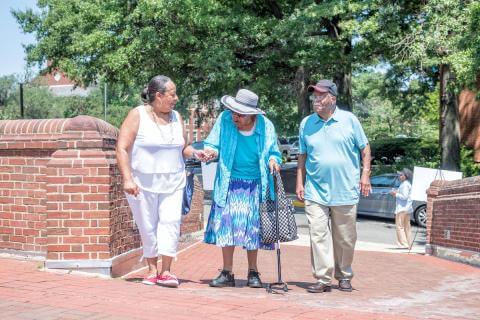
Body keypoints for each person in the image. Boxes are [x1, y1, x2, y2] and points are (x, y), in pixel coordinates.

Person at [116, 75, 205, 287]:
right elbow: (121, 147)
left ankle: (166, 272)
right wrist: (127, 179)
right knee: (148, 226)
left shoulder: (177, 117)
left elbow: (184, 148)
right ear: (159, 95)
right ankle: (151, 270)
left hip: (173, 182)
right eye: (172, 94)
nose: (176, 98)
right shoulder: (137, 115)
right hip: (142, 183)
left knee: (171, 223)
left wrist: (197, 154)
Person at [296, 80, 372, 293]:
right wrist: (300, 182)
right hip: (315, 190)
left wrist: (365, 175)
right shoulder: (306, 124)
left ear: (333, 98)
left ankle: (344, 274)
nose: (316, 100)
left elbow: (365, 148)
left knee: (346, 238)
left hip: (345, 189)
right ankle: (323, 278)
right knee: (318, 234)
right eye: (314, 96)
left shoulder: (350, 120)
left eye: (321, 96)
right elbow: (302, 155)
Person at [202, 88, 282, 288]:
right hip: (230, 181)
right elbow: (213, 142)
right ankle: (227, 272)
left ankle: (253, 272)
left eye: (240, 114)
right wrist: (211, 151)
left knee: (252, 229)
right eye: (233, 111)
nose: (234, 116)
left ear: (252, 115)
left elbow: (274, 151)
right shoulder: (225, 119)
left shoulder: (265, 125)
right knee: (226, 228)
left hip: (256, 183)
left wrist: (274, 160)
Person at [390, 168, 413, 249]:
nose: (399, 176)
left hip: (402, 208)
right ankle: (409, 244)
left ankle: (404, 244)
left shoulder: (405, 184)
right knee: (407, 227)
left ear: (405, 176)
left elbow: (404, 197)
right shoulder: (407, 184)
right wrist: (397, 192)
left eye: (401, 175)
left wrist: (395, 194)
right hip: (406, 208)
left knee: (400, 226)